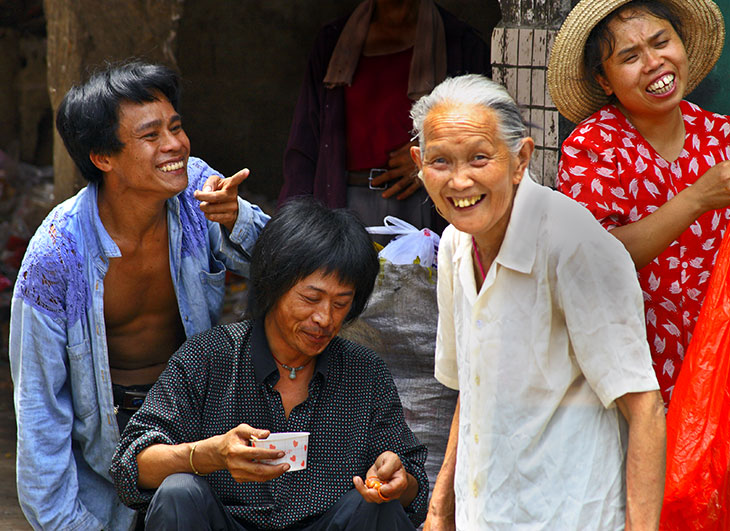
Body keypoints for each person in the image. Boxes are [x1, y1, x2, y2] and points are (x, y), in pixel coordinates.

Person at [9, 61, 270, 530]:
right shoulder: (55, 257)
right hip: (107, 452)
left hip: (200, 422)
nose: (175, 146)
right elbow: (40, 415)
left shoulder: (197, 193)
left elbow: (285, 271)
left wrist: (236, 219)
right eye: (152, 136)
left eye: (177, 126)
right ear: (102, 157)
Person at [408, 74, 666, 529]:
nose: (459, 180)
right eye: (440, 161)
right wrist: (439, 507)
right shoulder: (453, 245)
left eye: (479, 158)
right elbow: (471, 386)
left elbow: (643, 407)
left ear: (521, 159)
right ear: (419, 163)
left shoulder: (575, 246)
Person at [110, 197, 429, 530]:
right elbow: (131, 465)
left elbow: (415, 490)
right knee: (178, 492)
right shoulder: (209, 357)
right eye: (311, 298)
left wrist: (398, 481)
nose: (324, 318)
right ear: (274, 285)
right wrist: (212, 454)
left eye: (341, 304)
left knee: (381, 508)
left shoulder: (364, 372)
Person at [548, 0, 730, 407]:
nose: (654, 62)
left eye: (662, 42)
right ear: (604, 81)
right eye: (630, 56)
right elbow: (593, 260)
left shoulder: (724, 136)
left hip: (721, 367)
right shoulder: (591, 148)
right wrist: (698, 197)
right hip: (632, 377)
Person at [279, 0, 489, 233]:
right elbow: (305, 145)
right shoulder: (333, 41)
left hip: (426, 203)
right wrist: (290, 230)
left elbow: (484, 134)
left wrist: (433, 157)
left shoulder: (460, 43)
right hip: (344, 200)